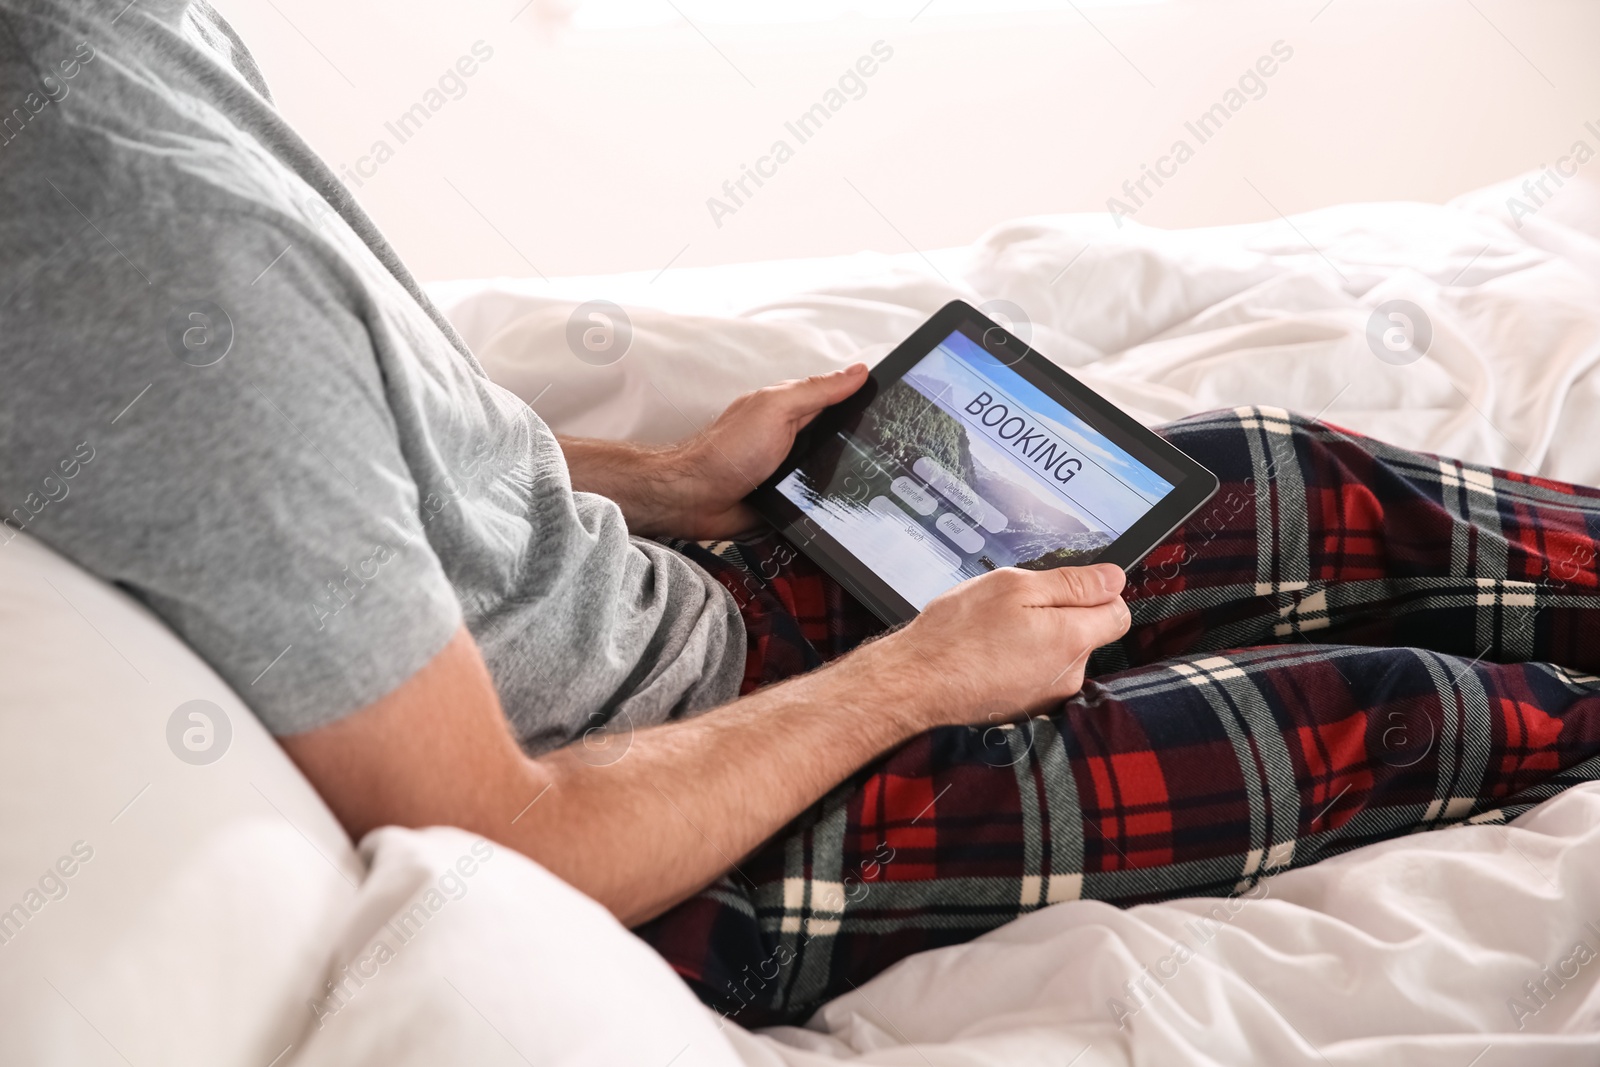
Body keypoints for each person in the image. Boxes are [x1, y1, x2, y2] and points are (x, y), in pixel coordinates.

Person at [4, 0, 1599, 1030]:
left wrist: (668, 480)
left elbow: (347, 449)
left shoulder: (122, 49)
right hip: (676, 845)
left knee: (1285, 478)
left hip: (687, 617)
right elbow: (497, 836)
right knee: (1395, 718)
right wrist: (915, 682)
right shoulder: (132, 256)